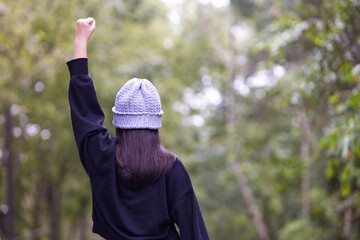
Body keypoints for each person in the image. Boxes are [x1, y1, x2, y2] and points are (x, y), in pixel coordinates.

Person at [67, 17, 210, 240]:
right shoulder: (172, 169)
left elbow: (85, 112)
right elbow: (195, 233)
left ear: (119, 123)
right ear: (155, 125)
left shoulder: (102, 157)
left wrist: (80, 41)